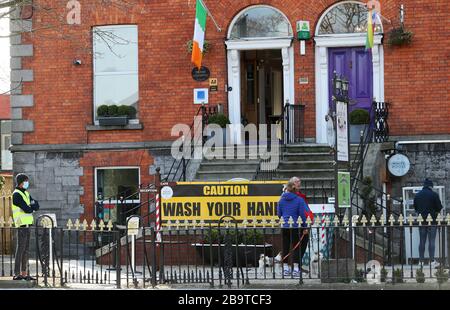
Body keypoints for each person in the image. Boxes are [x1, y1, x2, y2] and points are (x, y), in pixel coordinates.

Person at [277, 180, 310, 277]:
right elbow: (302, 214)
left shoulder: (281, 199)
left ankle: (286, 269)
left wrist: (284, 220)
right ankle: (295, 269)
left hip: (285, 226)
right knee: (298, 246)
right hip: (296, 226)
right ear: (295, 189)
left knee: (285, 246)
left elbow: (279, 213)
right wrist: (305, 226)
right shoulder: (299, 199)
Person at [12, 173, 40, 280]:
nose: (27, 183)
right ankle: (16, 273)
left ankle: (24, 273)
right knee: (21, 249)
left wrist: (31, 207)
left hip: (28, 224)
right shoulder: (16, 194)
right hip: (21, 225)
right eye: (26, 181)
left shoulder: (26, 194)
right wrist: (31, 207)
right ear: (21, 183)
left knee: (26, 249)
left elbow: (36, 205)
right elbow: (27, 209)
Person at [413, 178, 443, 267]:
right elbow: (439, 208)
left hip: (421, 221)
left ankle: (421, 261)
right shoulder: (434, 195)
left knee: (422, 241)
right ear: (431, 186)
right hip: (432, 221)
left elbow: (416, 208)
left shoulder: (417, 195)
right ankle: (432, 261)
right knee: (431, 241)